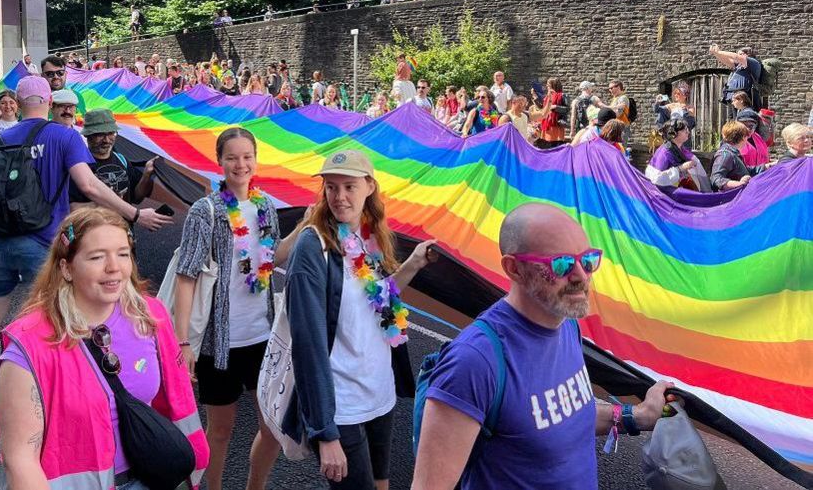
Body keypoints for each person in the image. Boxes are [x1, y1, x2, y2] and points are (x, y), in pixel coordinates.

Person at [0, 76, 175, 420]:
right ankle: (63, 398)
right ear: (48, 101)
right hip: (45, 245)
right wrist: (134, 212)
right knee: (59, 320)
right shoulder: (64, 136)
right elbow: (89, 184)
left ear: (18, 101)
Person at [412, 203, 674, 490]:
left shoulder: (565, 324)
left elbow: (564, 415)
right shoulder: (473, 362)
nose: (581, 276)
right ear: (515, 269)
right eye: (561, 264)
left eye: (587, 260)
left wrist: (637, 416)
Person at [0, 207, 209, 490]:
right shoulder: (30, 347)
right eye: (97, 257)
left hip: (152, 477)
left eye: (123, 253)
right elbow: (20, 459)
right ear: (66, 269)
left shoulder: (149, 316)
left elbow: (174, 402)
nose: (114, 267)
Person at [285, 149, 436, 490]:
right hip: (343, 407)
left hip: (380, 395)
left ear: (369, 187)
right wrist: (324, 433)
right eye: (331, 187)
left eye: (349, 187)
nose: (339, 197)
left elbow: (379, 299)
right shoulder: (314, 246)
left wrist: (412, 263)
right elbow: (307, 345)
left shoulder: (370, 238)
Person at [172, 128, 304, 490]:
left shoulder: (264, 207)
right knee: (220, 430)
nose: (240, 164)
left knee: (272, 427)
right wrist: (182, 343)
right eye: (232, 157)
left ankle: (254, 487)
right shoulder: (207, 211)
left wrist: (305, 226)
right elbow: (187, 276)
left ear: (256, 160)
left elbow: (272, 257)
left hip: (263, 336)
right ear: (220, 162)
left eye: (247, 156)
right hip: (220, 342)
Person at [70, 109, 157, 211]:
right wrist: (109, 203)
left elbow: (136, 198)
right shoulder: (78, 166)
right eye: (100, 134)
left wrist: (146, 175)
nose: (106, 140)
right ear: (88, 135)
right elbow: (70, 208)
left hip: (123, 226)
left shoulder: (122, 160)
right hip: (93, 226)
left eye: (111, 133)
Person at [646, 120, 712, 194]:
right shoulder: (664, 153)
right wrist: (681, 168)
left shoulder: (681, 149)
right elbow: (656, 179)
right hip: (664, 198)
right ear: (674, 134)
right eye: (684, 130)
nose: (688, 132)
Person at [710, 120, 767, 191]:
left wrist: (766, 167)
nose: (747, 140)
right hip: (729, 200)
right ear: (743, 137)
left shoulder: (733, 153)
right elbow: (716, 179)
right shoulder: (725, 155)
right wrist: (739, 184)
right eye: (746, 136)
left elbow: (744, 171)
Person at [710, 44, 764, 110]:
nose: (738, 55)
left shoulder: (753, 62)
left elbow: (735, 56)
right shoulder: (739, 65)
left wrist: (718, 52)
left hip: (744, 98)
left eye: (740, 54)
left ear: (747, 54)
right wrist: (716, 53)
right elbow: (725, 60)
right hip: (733, 98)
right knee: (733, 119)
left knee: (743, 118)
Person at [731, 96, 769, 167]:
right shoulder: (732, 141)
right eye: (744, 125)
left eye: (751, 125)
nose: (748, 129)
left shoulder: (759, 139)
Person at [530, 78, 567, 147]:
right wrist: (535, 96)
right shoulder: (548, 96)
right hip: (546, 124)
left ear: (554, 85)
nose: (547, 86)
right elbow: (542, 108)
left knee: (555, 146)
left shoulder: (563, 95)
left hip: (556, 125)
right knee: (545, 146)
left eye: (548, 85)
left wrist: (555, 107)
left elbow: (566, 109)